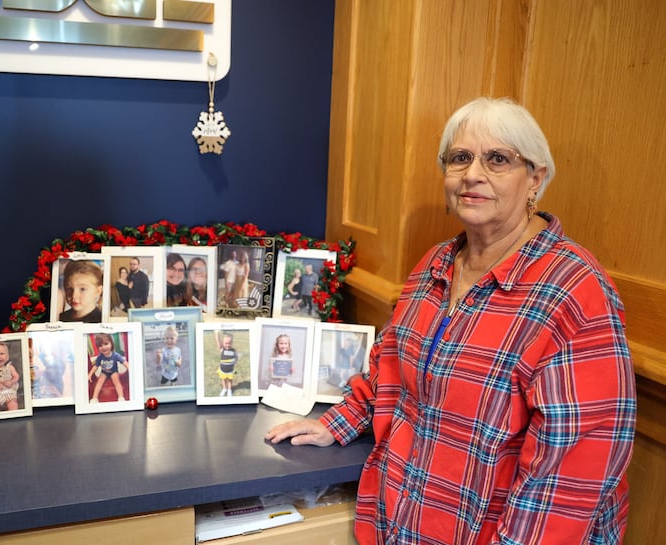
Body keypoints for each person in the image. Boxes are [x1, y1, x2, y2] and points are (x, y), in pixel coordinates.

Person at [265, 97, 636, 545]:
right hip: (399, 523)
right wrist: (339, 421)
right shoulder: (436, 262)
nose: (472, 174)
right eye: (460, 158)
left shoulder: (575, 289)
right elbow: (390, 363)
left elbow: (570, 475)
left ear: (535, 178)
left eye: (497, 159)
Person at [87, 333, 127, 403]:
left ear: (111, 344)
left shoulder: (116, 355)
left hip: (113, 371)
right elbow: (95, 366)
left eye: (106, 344)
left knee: (116, 381)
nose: (103, 347)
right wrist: (90, 374)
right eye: (100, 345)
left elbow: (124, 362)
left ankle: (121, 397)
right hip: (104, 372)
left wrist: (130, 368)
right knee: (99, 382)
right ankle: (94, 398)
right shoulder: (100, 356)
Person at [215, 331, 237, 397]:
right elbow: (218, 342)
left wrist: (235, 361)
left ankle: (229, 390)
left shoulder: (233, 350)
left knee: (230, 380)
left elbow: (236, 357)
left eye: (229, 343)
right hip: (223, 370)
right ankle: (224, 388)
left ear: (232, 343)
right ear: (223, 343)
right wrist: (216, 334)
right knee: (223, 379)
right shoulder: (222, 349)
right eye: (226, 343)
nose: (227, 345)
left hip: (230, 370)